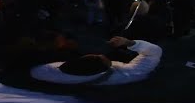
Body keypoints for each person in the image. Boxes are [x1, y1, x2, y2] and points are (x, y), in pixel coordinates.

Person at [29, 36, 162, 86]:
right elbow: (155, 51)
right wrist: (129, 42)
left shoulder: (45, 70)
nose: (98, 54)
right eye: (98, 56)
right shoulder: (130, 73)